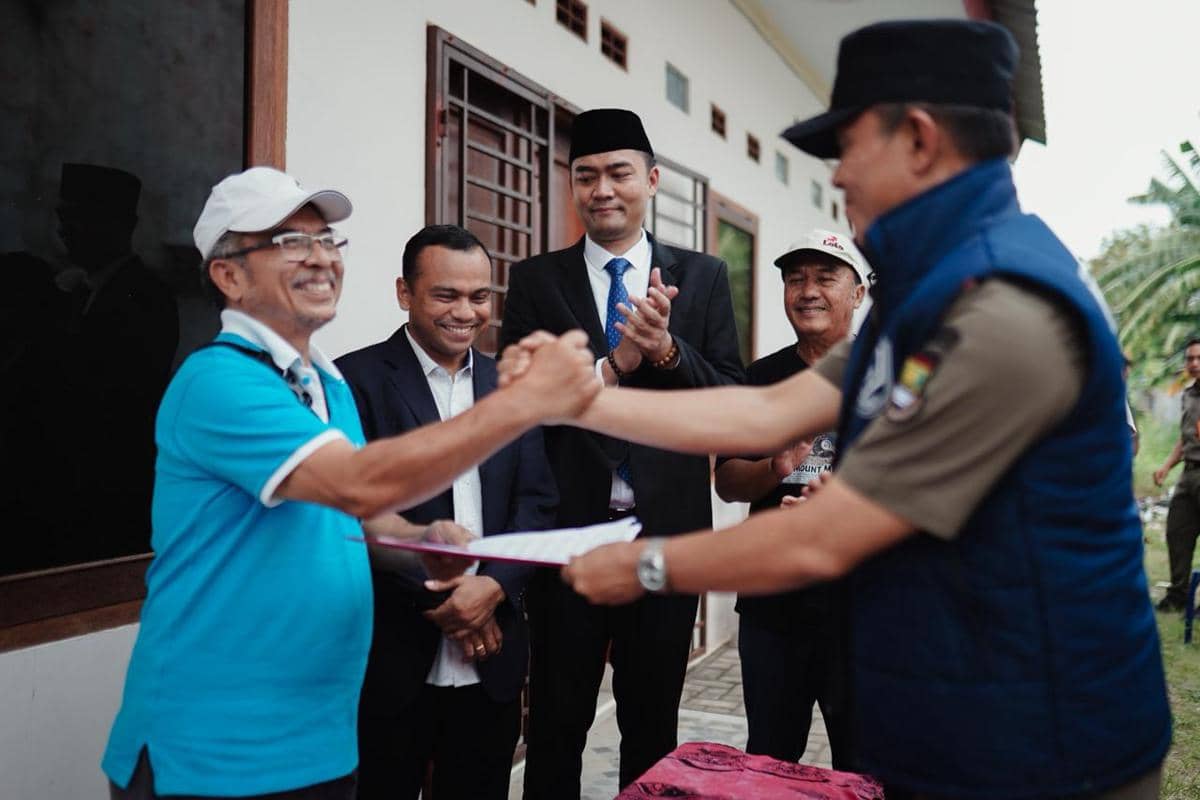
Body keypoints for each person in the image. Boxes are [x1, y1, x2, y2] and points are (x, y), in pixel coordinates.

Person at [511, 20, 1170, 800]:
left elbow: (822, 540)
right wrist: (585, 394)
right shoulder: (932, 293)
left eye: (848, 148)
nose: (838, 178)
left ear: (919, 140)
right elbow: (761, 416)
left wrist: (645, 564)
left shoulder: (998, 304)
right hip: (954, 708)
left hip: (1038, 743)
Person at [101, 167, 598, 800]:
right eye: (289, 243)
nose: (319, 258)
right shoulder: (219, 381)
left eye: (328, 240)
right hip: (217, 741)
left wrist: (424, 538)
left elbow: (358, 519)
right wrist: (520, 404)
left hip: (319, 735)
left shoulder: (324, 384)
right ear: (228, 275)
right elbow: (358, 483)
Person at [499, 108, 745, 797]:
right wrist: (618, 358)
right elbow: (519, 404)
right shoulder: (536, 281)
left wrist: (665, 351)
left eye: (618, 173)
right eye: (586, 176)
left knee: (651, 725)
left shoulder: (700, 276)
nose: (602, 189)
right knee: (555, 722)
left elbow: (725, 392)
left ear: (653, 180)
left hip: (667, 539)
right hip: (568, 542)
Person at [335, 224, 557, 800]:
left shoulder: (513, 386)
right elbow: (345, 513)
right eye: (445, 295)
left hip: (494, 658)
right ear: (404, 293)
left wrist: (493, 591)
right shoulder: (351, 381)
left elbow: (537, 504)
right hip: (392, 653)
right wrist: (448, 600)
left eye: (479, 297)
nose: (465, 312)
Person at [712, 228, 865, 768]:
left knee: (867, 765)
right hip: (774, 608)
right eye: (795, 279)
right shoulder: (761, 379)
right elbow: (727, 480)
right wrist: (772, 469)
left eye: (826, 277)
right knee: (770, 762)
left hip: (863, 610)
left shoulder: (889, 377)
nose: (808, 291)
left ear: (857, 293)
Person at [1152, 337, 1200, 612]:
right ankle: (1178, 596)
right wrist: (1166, 466)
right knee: (1177, 531)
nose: (1193, 363)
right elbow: (1185, 438)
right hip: (1189, 474)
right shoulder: (1189, 395)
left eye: (1198, 358)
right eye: (1189, 359)